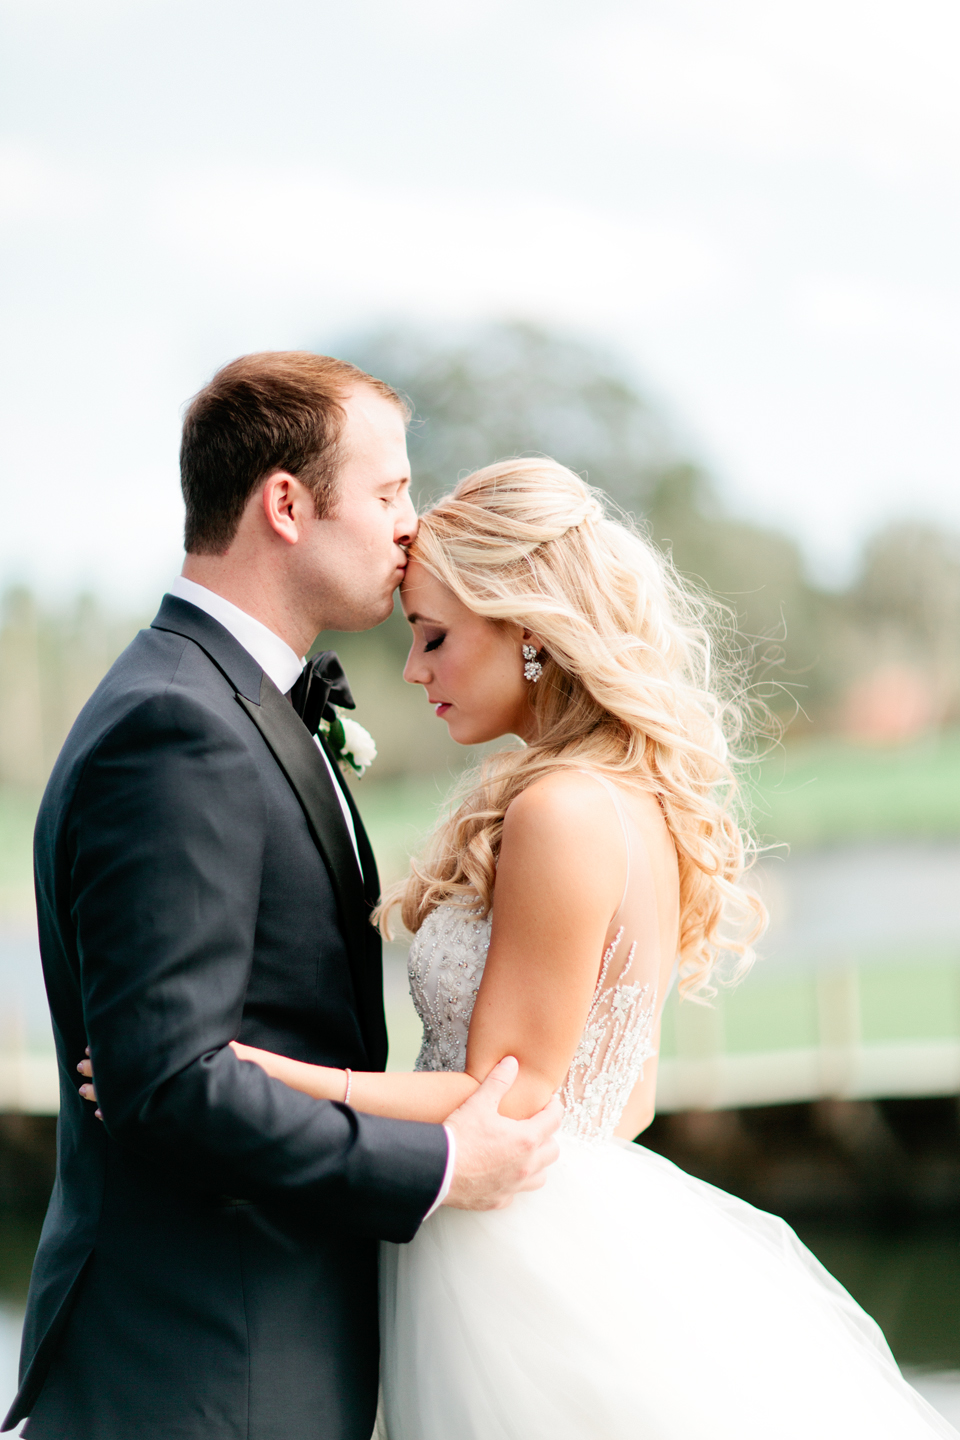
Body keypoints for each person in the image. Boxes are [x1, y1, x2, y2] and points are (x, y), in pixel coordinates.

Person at [213, 457, 957, 1438]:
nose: (413, 669)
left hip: (513, 1266)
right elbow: (627, 1095)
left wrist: (254, 1072)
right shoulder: (624, 795)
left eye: (434, 636)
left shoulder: (563, 807)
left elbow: (510, 1095)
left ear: (524, 628)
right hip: (563, 1229)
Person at [2, 355, 560, 1440]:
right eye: (391, 491)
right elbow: (171, 1087)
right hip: (199, 1370)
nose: (414, 523)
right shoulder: (175, 729)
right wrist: (446, 1163)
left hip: (264, 1354)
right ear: (288, 505)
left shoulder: (231, 703)